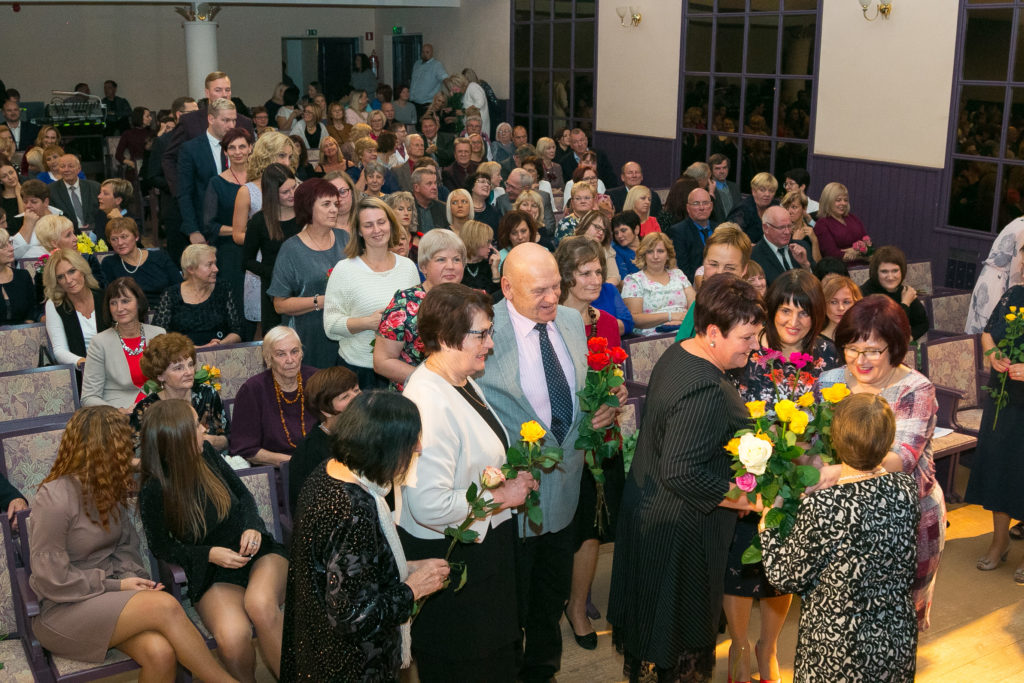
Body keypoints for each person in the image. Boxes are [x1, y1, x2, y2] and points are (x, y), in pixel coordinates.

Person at [475, 243, 626, 683]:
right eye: (538, 290)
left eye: (556, 286)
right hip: (507, 502)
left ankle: (543, 671)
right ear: (507, 287)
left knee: (548, 600)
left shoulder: (571, 321)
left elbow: (580, 392)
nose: (552, 298)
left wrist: (606, 402)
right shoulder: (483, 329)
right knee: (508, 607)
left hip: (565, 491)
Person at [608, 274, 765, 682]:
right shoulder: (705, 388)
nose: (754, 346)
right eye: (746, 337)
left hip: (653, 518)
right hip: (681, 535)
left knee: (660, 637)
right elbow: (681, 471)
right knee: (678, 647)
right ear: (713, 332)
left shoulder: (680, 353)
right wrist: (747, 499)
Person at [27, 406, 236, 681]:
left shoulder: (106, 488)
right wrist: (118, 585)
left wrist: (134, 580)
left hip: (108, 598)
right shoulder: (54, 498)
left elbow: (125, 548)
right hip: (64, 608)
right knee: (165, 606)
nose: (129, 452)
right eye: (124, 444)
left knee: (160, 653)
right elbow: (51, 579)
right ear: (103, 449)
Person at [398, 283, 531, 680]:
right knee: (467, 667)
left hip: (483, 552)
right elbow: (428, 504)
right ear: (444, 337)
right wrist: (503, 496)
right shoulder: (428, 402)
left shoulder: (460, 379)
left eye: (490, 332)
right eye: (481, 334)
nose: (490, 344)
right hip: (453, 563)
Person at [281, 391, 450, 681]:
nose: (419, 448)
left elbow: (342, 572)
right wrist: (411, 589)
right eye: (410, 440)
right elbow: (352, 617)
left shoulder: (328, 472)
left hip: (316, 647)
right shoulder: (352, 508)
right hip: (350, 666)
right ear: (384, 445)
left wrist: (405, 568)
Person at [723, 269, 840, 683]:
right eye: (785, 310)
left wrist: (811, 461)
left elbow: (835, 419)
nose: (794, 321)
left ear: (817, 314)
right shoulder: (750, 348)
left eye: (804, 312)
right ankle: (739, 646)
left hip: (801, 480)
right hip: (749, 474)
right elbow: (727, 414)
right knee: (739, 564)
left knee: (783, 567)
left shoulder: (829, 355)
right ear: (771, 310)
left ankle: (768, 646)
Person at [759, 393, 919, 682]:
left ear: (836, 439)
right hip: (895, 639)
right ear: (888, 440)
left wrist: (767, 531)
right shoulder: (906, 489)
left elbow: (785, 578)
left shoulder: (822, 505)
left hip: (837, 646)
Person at [816, 295, 945, 630]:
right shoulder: (829, 382)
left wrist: (839, 472)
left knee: (900, 622)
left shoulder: (914, 389)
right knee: (847, 620)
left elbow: (901, 459)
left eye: (873, 350)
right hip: (845, 519)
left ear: (895, 346)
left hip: (907, 519)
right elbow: (813, 444)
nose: (860, 360)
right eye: (852, 348)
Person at [139, 399, 287, 682]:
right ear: (179, 436)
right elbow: (161, 546)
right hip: (212, 569)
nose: (204, 429)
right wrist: (208, 554)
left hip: (258, 554)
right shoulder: (154, 488)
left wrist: (252, 528)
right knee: (232, 637)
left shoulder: (206, 452)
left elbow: (244, 497)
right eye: (196, 425)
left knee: (259, 604)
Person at [554, 236, 626, 647]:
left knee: (592, 529)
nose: (595, 279)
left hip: (603, 439)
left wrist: (616, 399)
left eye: (599, 271)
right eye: (585, 273)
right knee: (562, 528)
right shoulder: (550, 321)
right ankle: (556, 598)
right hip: (563, 440)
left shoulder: (608, 323)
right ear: (566, 276)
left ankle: (578, 606)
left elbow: (615, 379)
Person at [324, 197, 419, 388]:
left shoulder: (408, 267)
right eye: (368, 225)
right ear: (359, 231)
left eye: (381, 222)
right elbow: (330, 326)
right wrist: (368, 322)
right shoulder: (344, 269)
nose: (377, 230)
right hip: (358, 371)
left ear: (390, 224)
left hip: (400, 369)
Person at [965, 282, 1024, 585]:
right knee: (1000, 466)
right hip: (1005, 396)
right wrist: (992, 353)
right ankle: (999, 542)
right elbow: (988, 332)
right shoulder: (1014, 294)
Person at [267, 178, 350, 368]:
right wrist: (322, 301)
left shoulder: (344, 239)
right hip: (308, 336)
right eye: (326, 204)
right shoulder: (291, 249)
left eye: (336, 204)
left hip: (344, 333)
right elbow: (279, 305)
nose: (334, 210)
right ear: (308, 207)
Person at [374, 229, 466, 390]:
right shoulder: (404, 302)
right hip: (415, 394)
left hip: (461, 390)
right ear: (423, 267)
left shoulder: (471, 301)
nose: (451, 266)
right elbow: (382, 362)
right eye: (441, 259)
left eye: (456, 259)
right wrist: (434, 381)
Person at [230, 326, 318, 465]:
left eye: (294, 351)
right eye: (281, 354)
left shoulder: (317, 380)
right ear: (268, 359)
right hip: (277, 470)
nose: (290, 360)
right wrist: (295, 463)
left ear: (302, 354)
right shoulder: (253, 390)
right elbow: (246, 449)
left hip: (320, 465)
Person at [131, 332, 229, 451]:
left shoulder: (207, 394)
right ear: (160, 375)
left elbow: (228, 440)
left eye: (190, 365)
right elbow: (135, 453)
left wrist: (209, 441)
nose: (189, 372)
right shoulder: (147, 408)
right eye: (178, 368)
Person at [81, 278, 166, 411]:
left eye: (125, 301)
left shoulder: (158, 334)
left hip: (157, 410)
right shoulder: (99, 342)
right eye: (113, 303)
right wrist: (118, 411)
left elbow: (169, 380)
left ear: (138, 302)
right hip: (119, 415)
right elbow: (88, 397)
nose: (119, 308)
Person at [286, 366, 361, 517]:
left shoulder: (369, 432)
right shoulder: (309, 452)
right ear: (326, 410)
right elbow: (305, 510)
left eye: (357, 390)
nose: (357, 398)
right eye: (345, 397)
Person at [203, 126, 253, 313]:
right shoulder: (216, 183)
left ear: (250, 148)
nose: (237, 152)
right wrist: (240, 231)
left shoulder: (261, 180)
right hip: (230, 249)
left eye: (242, 146)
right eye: (232, 147)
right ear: (225, 152)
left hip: (260, 248)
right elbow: (209, 225)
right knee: (236, 303)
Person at [243, 163, 299, 331]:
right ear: (272, 194)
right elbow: (246, 261)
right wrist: (275, 273)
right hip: (274, 291)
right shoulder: (259, 221)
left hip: (303, 288)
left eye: (294, 188)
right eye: (285, 192)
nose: (292, 194)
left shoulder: (305, 215)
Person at [154, 243, 242, 348]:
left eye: (215, 263)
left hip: (219, 351)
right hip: (183, 354)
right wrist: (197, 349)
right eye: (209, 264)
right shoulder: (171, 294)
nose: (216, 269)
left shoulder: (223, 288)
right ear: (191, 269)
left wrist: (218, 345)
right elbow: (159, 336)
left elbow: (237, 330)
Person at [42, 248, 107, 371]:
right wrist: (85, 364)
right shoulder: (55, 305)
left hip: (113, 366)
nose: (68, 280)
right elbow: (60, 351)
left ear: (82, 270)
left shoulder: (104, 297)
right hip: (81, 371)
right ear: (56, 282)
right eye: (61, 277)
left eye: (72, 271)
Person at [622, 232, 695, 336]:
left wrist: (682, 321)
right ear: (643, 255)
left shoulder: (678, 275)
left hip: (684, 328)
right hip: (652, 335)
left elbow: (695, 306)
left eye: (660, 251)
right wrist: (670, 316)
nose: (655, 256)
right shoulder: (634, 280)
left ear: (668, 254)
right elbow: (635, 319)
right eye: (650, 252)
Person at [100, 217, 182, 305]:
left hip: (165, 309)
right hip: (131, 312)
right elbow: (109, 298)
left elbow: (180, 287)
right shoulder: (109, 264)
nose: (120, 243)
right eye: (114, 239)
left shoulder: (160, 257)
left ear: (136, 237)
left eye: (124, 237)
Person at [965, 216, 1024, 333]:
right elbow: (1017, 268)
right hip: (999, 282)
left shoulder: (1018, 221)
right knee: (991, 328)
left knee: (979, 323)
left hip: (988, 277)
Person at [860, 245, 929, 340]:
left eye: (895, 271)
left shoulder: (903, 291)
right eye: (884, 271)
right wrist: (905, 304)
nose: (890, 277)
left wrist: (908, 338)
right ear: (876, 273)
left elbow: (923, 323)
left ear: (902, 271)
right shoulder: (864, 294)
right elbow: (888, 329)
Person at [750, 205, 814, 286]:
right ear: (766, 228)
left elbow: (816, 285)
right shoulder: (754, 256)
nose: (787, 232)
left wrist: (805, 265)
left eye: (789, 226)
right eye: (781, 227)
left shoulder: (802, 247)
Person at [665, 188, 718, 282]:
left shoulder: (720, 229)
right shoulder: (679, 231)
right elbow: (683, 269)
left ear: (711, 206)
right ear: (688, 208)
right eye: (696, 203)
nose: (701, 207)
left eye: (705, 203)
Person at [813, 182, 869, 262]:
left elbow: (869, 244)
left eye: (845, 200)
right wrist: (861, 252)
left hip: (864, 265)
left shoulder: (852, 218)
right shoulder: (822, 224)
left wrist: (855, 251)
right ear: (828, 201)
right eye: (838, 200)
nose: (843, 203)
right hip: (842, 267)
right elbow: (832, 254)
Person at [727, 171, 778, 245]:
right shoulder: (743, 209)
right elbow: (731, 238)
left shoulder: (775, 206)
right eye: (762, 190)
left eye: (771, 191)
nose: (767, 194)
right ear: (753, 191)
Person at [574, 209, 621, 287]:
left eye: (604, 230)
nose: (601, 232)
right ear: (586, 224)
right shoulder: (571, 247)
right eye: (597, 227)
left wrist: (597, 288)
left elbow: (614, 277)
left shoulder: (606, 250)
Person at [0, 227, 37, 324]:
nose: (11, 248)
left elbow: (32, 309)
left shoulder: (23, 276)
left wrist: (27, 327)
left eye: (10, 243)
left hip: (24, 331)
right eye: (3, 246)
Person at [459, 219, 501, 297]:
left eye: (491, 242)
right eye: (487, 242)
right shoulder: (457, 266)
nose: (490, 246)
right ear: (474, 242)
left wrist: (495, 269)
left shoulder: (488, 265)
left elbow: (498, 297)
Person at [554, 180, 597, 246]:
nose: (583, 201)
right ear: (572, 202)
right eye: (578, 198)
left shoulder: (600, 221)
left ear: (594, 200)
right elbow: (567, 249)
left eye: (587, 198)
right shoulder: (565, 223)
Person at [781, 190, 820, 261]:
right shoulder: (780, 231)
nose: (789, 211)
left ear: (804, 208)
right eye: (786, 207)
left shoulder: (811, 231)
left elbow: (817, 263)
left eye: (794, 207)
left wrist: (815, 241)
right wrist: (795, 241)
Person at [820, 273, 863, 340]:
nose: (841, 308)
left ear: (856, 303)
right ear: (824, 304)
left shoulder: (865, 336)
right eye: (834, 302)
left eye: (846, 302)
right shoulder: (814, 342)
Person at [611, 210, 642, 280]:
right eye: (616, 233)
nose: (619, 236)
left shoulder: (650, 245)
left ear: (636, 229)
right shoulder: (615, 251)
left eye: (623, 230)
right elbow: (624, 280)